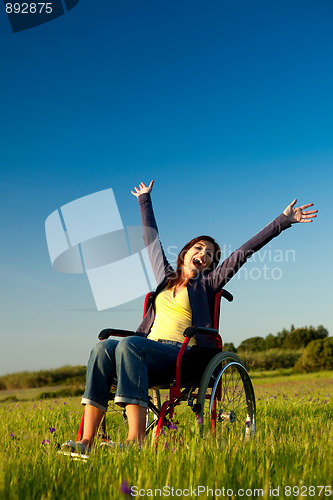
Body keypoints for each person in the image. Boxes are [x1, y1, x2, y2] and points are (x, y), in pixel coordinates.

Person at [62, 180, 317, 454]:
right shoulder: (165, 278)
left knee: (129, 345)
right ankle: (86, 442)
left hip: (181, 355)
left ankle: (135, 442)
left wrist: (283, 221)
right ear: (185, 253)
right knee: (103, 348)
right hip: (146, 349)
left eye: (210, 254)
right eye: (199, 248)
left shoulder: (208, 284)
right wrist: (144, 199)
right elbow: (150, 240)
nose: (204, 254)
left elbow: (243, 253)